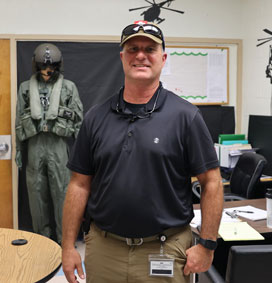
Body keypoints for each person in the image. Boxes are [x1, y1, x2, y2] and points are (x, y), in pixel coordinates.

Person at [60, 21, 223, 283]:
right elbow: (79, 185)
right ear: (122, 57)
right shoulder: (95, 117)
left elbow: (212, 182)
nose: (140, 55)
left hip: (166, 248)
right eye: (133, 48)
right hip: (105, 250)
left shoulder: (186, 117)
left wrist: (207, 244)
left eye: (150, 49)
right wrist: (68, 247)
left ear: (163, 58)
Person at [15, 43, 84, 243]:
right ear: (35, 66)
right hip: (35, 145)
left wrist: (82, 153)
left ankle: (66, 243)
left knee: (62, 192)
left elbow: (78, 120)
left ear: (58, 65)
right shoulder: (26, 88)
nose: (47, 70)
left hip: (58, 145)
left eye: (52, 66)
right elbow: (20, 119)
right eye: (43, 66)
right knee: (36, 195)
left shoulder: (68, 87)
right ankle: (42, 242)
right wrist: (19, 149)